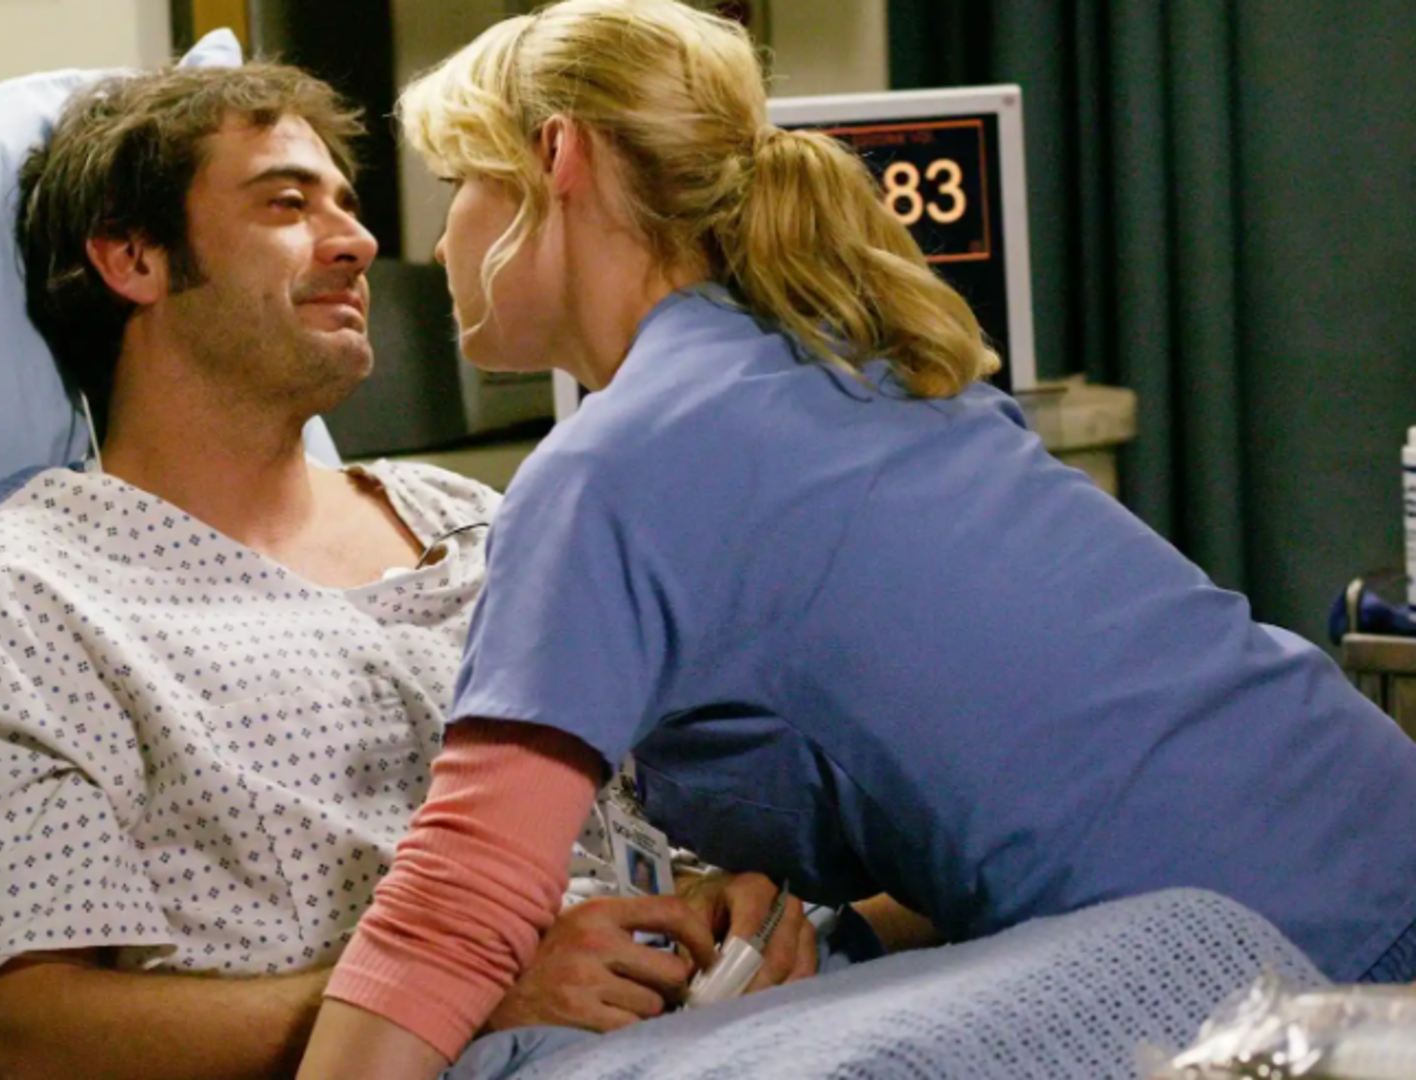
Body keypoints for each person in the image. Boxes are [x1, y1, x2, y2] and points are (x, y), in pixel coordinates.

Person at [297, 1, 1416, 1075]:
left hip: (1295, 968)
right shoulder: (862, 364)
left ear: (559, 156)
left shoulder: (612, 465)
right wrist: (830, 923)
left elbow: (461, 904)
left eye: (459, 185)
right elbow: (1013, 770)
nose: (438, 240)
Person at [0, 60, 817, 1080]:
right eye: (287, 204)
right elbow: (26, 1034)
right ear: (132, 257)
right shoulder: (33, 589)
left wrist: (720, 901)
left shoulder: (472, 516)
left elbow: (655, 797)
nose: (359, 242)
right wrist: (461, 991)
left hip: (716, 1023)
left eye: (347, 205)